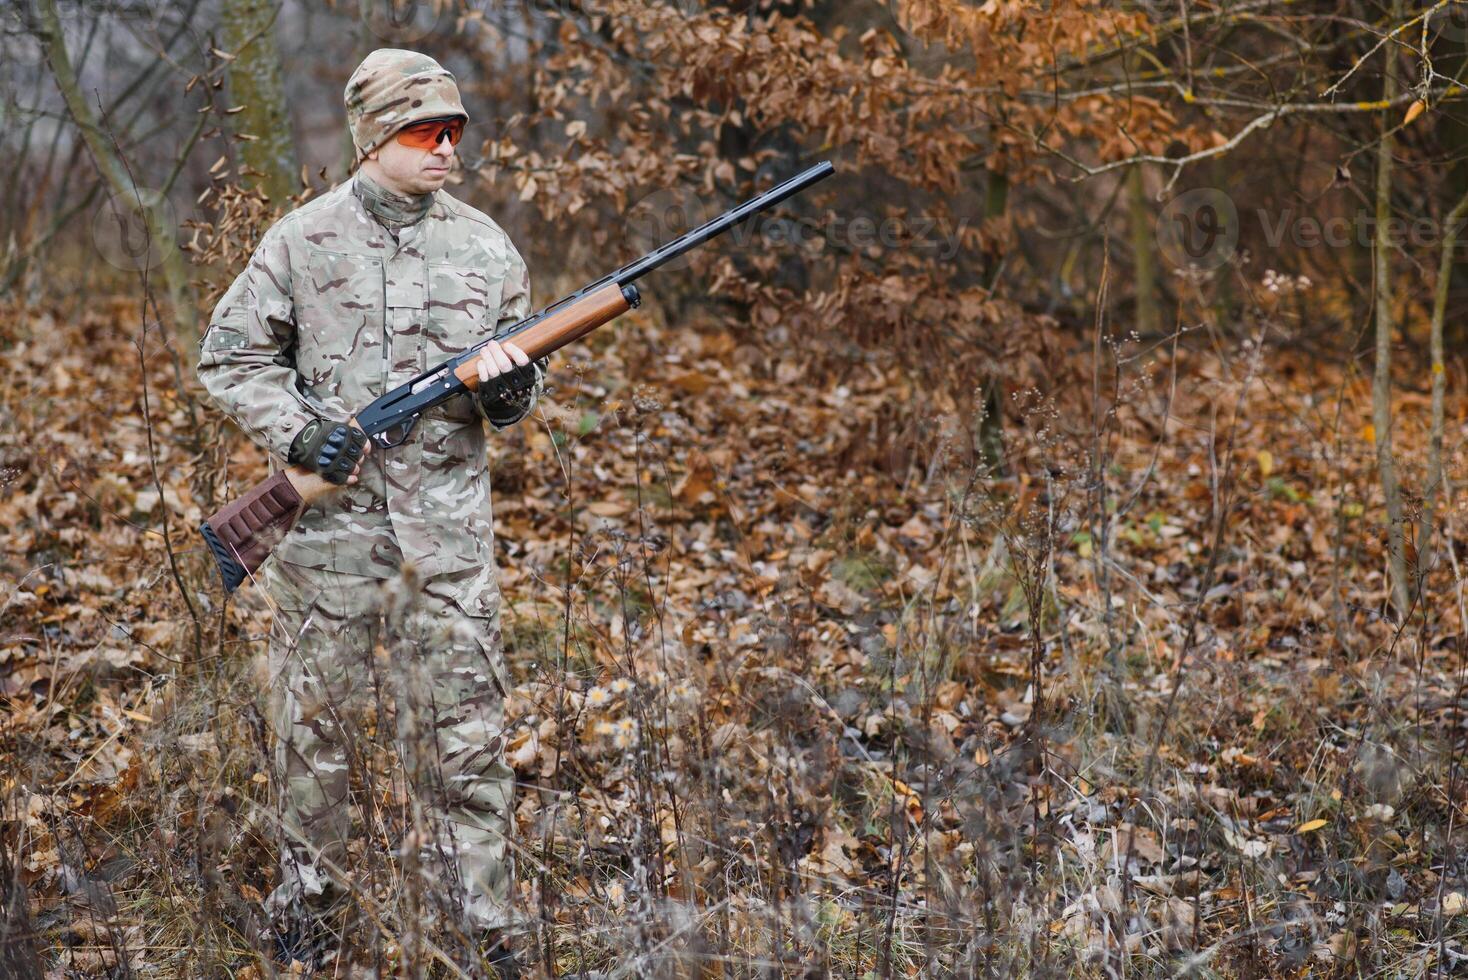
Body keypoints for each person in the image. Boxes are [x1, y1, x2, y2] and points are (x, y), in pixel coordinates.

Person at [196, 47, 538, 971]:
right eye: (426, 130)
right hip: (329, 539)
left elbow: (513, 396)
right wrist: (303, 434)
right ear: (372, 137)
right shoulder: (301, 242)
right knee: (314, 736)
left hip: (448, 538)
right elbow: (228, 359)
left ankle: (484, 920)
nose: (446, 148)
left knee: (468, 735)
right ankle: (309, 911)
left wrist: (511, 391)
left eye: (455, 131)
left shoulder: (485, 247)